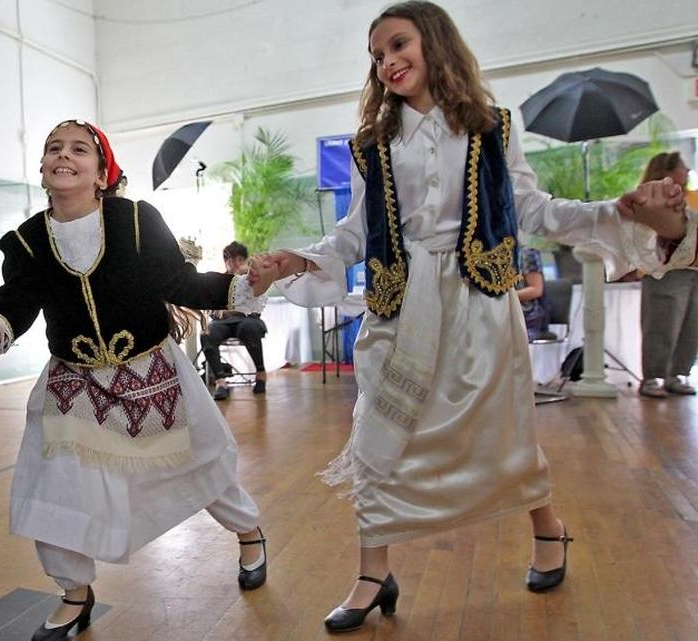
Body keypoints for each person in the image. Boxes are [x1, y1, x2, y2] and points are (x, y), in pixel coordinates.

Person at [253, 1, 692, 633]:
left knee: (501, 434)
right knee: (380, 437)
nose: (387, 62)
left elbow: (534, 213)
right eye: (376, 56)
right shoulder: (372, 145)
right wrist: (296, 259)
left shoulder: (492, 128)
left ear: (435, 42)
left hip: (478, 302)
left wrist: (616, 211)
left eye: (398, 44)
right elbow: (355, 233)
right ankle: (373, 572)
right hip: (401, 306)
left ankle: (549, 529)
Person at [0, 120, 270, 641]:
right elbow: (15, 309)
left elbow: (181, 282)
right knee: (54, 488)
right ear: (41, 168)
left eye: (79, 149)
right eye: (53, 148)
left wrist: (246, 284)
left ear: (102, 173)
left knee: (200, 466)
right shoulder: (25, 241)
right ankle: (74, 593)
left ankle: (249, 532)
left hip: (154, 374)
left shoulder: (136, 221)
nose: (64, 155)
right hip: (73, 387)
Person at [638, 152, 698, 398]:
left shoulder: (692, 196)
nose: (687, 172)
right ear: (669, 171)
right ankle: (653, 377)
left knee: (692, 324)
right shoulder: (652, 198)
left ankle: (678, 374)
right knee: (662, 323)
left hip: (695, 268)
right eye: (683, 168)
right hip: (667, 270)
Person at [201, 241, 269, 399]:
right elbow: (212, 310)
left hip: (248, 320)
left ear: (245, 260)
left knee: (249, 327)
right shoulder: (217, 280)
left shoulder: (252, 278)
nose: (235, 263)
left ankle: (261, 373)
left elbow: (256, 308)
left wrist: (228, 311)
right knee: (207, 333)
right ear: (226, 262)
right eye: (231, 260)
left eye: (239, 259)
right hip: (222, 322)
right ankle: (220, 381)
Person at [516, 246, 555, 341]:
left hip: (529, 317)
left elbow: (536, 290)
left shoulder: (527, 254)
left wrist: (505, 297)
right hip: (509, 313)